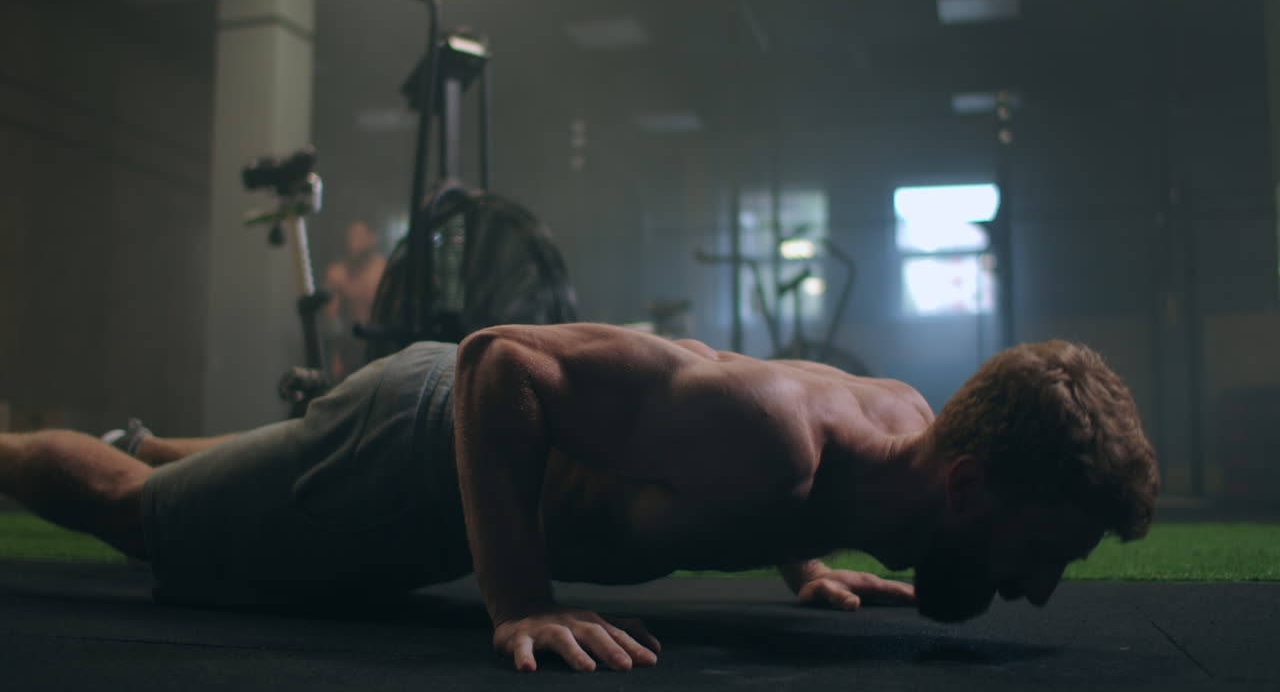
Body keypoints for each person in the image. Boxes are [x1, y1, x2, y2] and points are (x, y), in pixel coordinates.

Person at [0, 323, 1158, 673]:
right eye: (1040, 551)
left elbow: (791, 476)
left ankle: (153, 446)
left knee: (209, 469)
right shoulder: (773, 442)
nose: (1037, 591)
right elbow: (499, 361)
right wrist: (517, 600)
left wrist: (805, 561)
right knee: (140, 517)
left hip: (414, 424)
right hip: (420, 456)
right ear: (967, 485)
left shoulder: (899, 424)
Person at [322, 220, 387, 380]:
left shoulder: (384, 271)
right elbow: (331, 320)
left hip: (380, 348)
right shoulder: (337, 273)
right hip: (349, 349)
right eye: (349, 237)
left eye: (358, 237)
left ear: (372, 239)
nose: (352, 243)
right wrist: (335, 357)